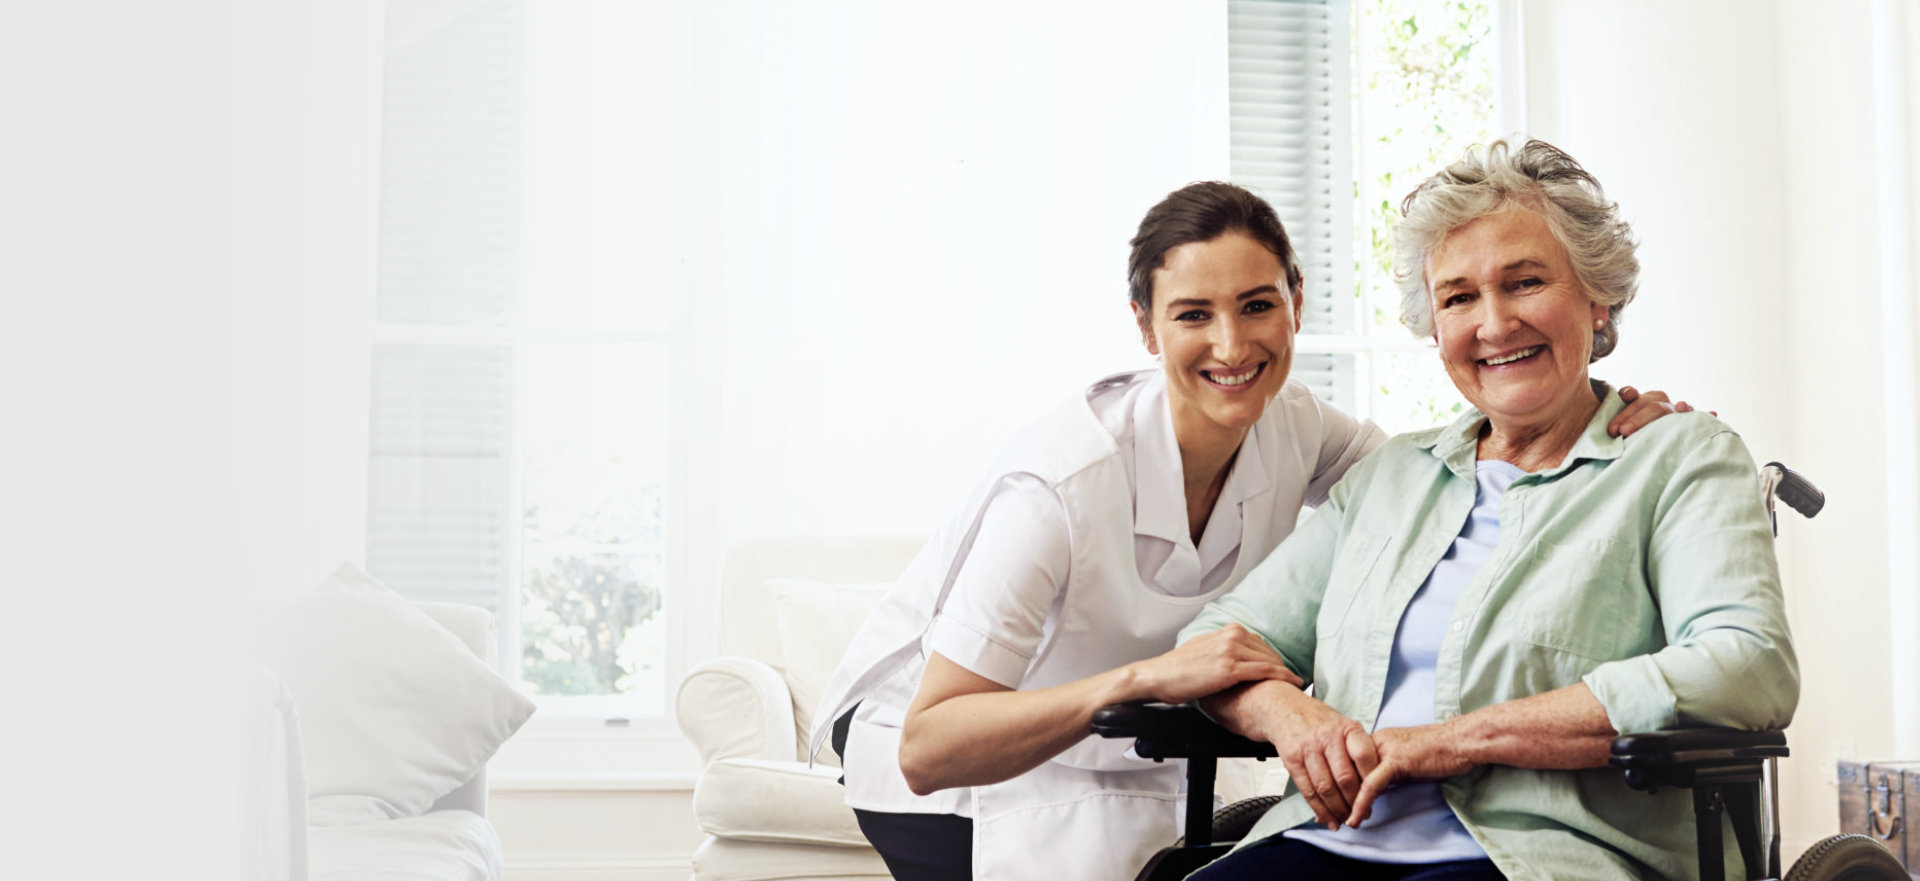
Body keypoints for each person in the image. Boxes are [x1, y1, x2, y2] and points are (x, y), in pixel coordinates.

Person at [807, 181, 1688, 881]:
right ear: (1145, 327)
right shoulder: (1057, 488)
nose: (1232, 345)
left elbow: (1449, 482)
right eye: (1193, 314)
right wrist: (1148, 677)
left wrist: (1619, 421)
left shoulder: (1301, 426)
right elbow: (930, 745)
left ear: (1297, 302)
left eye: (1257, 304)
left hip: (1122, 747)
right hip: (943, 769)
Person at [1177, 139, 1798, 881]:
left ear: (1596, 298)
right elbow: (1218, 642)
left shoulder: (1678, 459)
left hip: (1551, 854)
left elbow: (1748, 664)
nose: (1495, 325)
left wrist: (1455, 742)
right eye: (1458, 297)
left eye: (1525, 282)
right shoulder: (1390, 477)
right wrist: (1294, 718)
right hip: (1327, 840)